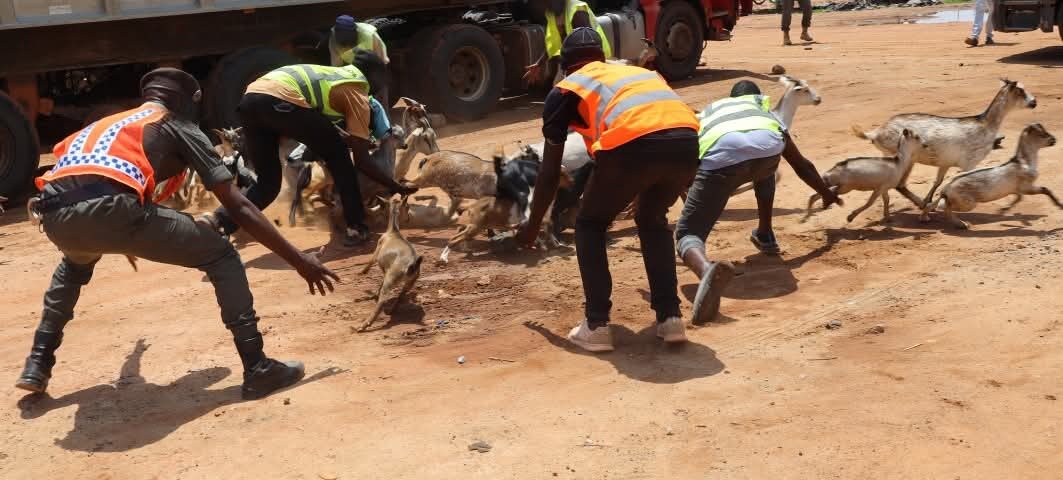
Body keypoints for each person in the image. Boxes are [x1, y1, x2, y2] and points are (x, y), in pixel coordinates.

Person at [16, 68, 339, 400]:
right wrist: (299, 261)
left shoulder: (110, 123)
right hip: (114, 210)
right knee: (222, 255)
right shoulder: (176, 123)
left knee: (73, 267)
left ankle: (38, 363)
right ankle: (257, 367)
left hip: (54, 214)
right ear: (185, 102)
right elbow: (239, 206)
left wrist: (135, 357)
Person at [517, 28, 700, 352]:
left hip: (632, 145)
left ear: (567, 66)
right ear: (600, 58)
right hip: (686, 142)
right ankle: (670, 318)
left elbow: (548, 175)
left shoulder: (569, 87)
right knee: (652, 218)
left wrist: (532, 228)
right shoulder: (634, 73)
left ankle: (597, 324)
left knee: (590, 223)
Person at [675, 80, 841, 325]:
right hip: (767, 151)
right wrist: (826, 193)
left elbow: (687, 158)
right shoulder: (765, 114)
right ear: (758, 97)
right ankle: (766, 234)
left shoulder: (711, 112)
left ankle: (705, 269)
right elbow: (801, 164)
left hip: (721, 159)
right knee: (764, 169)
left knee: (688, 232)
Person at [202, 61, 416, 247]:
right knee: (339, 158)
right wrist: (395, 185)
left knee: (268, 184)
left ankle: (218, 221)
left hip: (250, 99)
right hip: (280, 99)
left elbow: (314, 126)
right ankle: (356, 227)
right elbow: (361, 160)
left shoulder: (336, 76)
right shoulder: (358, 95)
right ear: (375, 78)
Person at [524, 0, 613, 84]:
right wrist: (539, 63)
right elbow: (554, 43)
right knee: (559, 87)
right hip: (574, 62)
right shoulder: (551, 13)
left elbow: (588, 44)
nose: (538, 6)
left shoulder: (577, 10)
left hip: (592, 60)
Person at [330, 15, 392, 109]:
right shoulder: (334, 39)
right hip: (353, 71)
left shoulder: (369, 34)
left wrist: (378, 83)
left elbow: (382, 60)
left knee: (380, 102)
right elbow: (336, 67)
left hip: (374, 70)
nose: (347, 45)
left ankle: (383, 118)